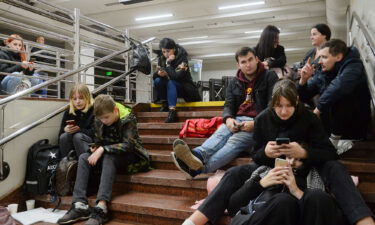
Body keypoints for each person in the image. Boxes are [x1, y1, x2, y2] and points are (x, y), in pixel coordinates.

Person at [182, 79, 374, 225]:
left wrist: (303, 153)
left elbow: (329, 153)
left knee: (335, 168)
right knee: (234, 172)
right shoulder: (263, 118)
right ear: (272, 103)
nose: (283, 111)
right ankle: (195, 220)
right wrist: (266, 152)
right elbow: (256, 156)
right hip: (269, 168)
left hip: (306, 168)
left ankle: (364, 220)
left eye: (289, 106)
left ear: (297, 101)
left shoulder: (309, 117)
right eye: (278, 106)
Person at [171, 46, 279, 178]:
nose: (248, 64)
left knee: (234, 142)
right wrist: (228, 119)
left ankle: (199, 169)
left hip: (258, 124)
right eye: (243, 62)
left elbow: (272, 106)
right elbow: (228, 105)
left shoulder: (269, 76)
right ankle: (197, 154)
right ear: (238, 64)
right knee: (221, 133)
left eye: (250, 60)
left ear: (257, 59)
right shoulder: (234, 82)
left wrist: (256, 124)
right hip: (236, 120)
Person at [57, 95, 150, 225]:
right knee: (84, 157)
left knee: (108, 156)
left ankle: (102, 207)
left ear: (115, 111)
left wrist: (102, 149)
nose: (103, 121)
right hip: (109, 154)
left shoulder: (128, 118)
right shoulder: (99, 119)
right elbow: (99, 140)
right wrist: (95, 147)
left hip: (132, 156)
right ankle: (79, 204)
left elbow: (129, 145)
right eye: (101, 118)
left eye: (106, 117)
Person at [298, 39, 371, 153]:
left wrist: (318, 109)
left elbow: (340, 86)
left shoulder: (353, 65)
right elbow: (303, 96)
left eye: (324, 57)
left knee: (340, 94)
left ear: (338, 57)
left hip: (353, 128)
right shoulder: (323, 71)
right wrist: (303, 81)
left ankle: (334, 143)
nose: (320, 61)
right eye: (320, 57)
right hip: (332, 127)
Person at [228, 157, 347, 225]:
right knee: (283, 201)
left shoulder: (314, 179)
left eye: (298, 159)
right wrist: (260, 184)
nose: (291, 162)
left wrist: (296, 190)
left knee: (316, 197)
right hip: (254, 218)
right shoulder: (265, 171)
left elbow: (329, 214)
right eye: (289, 157)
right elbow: (233, 206)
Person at [153, 38, 201, 123]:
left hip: (184, 88)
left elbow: (177, 77)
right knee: (157, 81)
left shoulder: (182, 58)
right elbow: (155, 76)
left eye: (168, 51)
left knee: (171, 82)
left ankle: (172, 111)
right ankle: (165, 103)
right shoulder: (161, 58)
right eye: (164, 52)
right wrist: (159, 74)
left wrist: (168, 64)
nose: (166, 54)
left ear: (174, 49)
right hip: (170, 87)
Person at [59, 83, 95, 158]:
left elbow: (96, 133)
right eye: (74, 99)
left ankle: (85, 163)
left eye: (81, 98)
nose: (77, 102)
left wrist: (79, 130)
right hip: (71, 145)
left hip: (89, 143)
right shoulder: (68, 112)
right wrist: (64, 129)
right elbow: (59, 136)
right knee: (64, 136)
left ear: (87, 97)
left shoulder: (94, 110)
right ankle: (67, 165)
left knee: (78, 136)